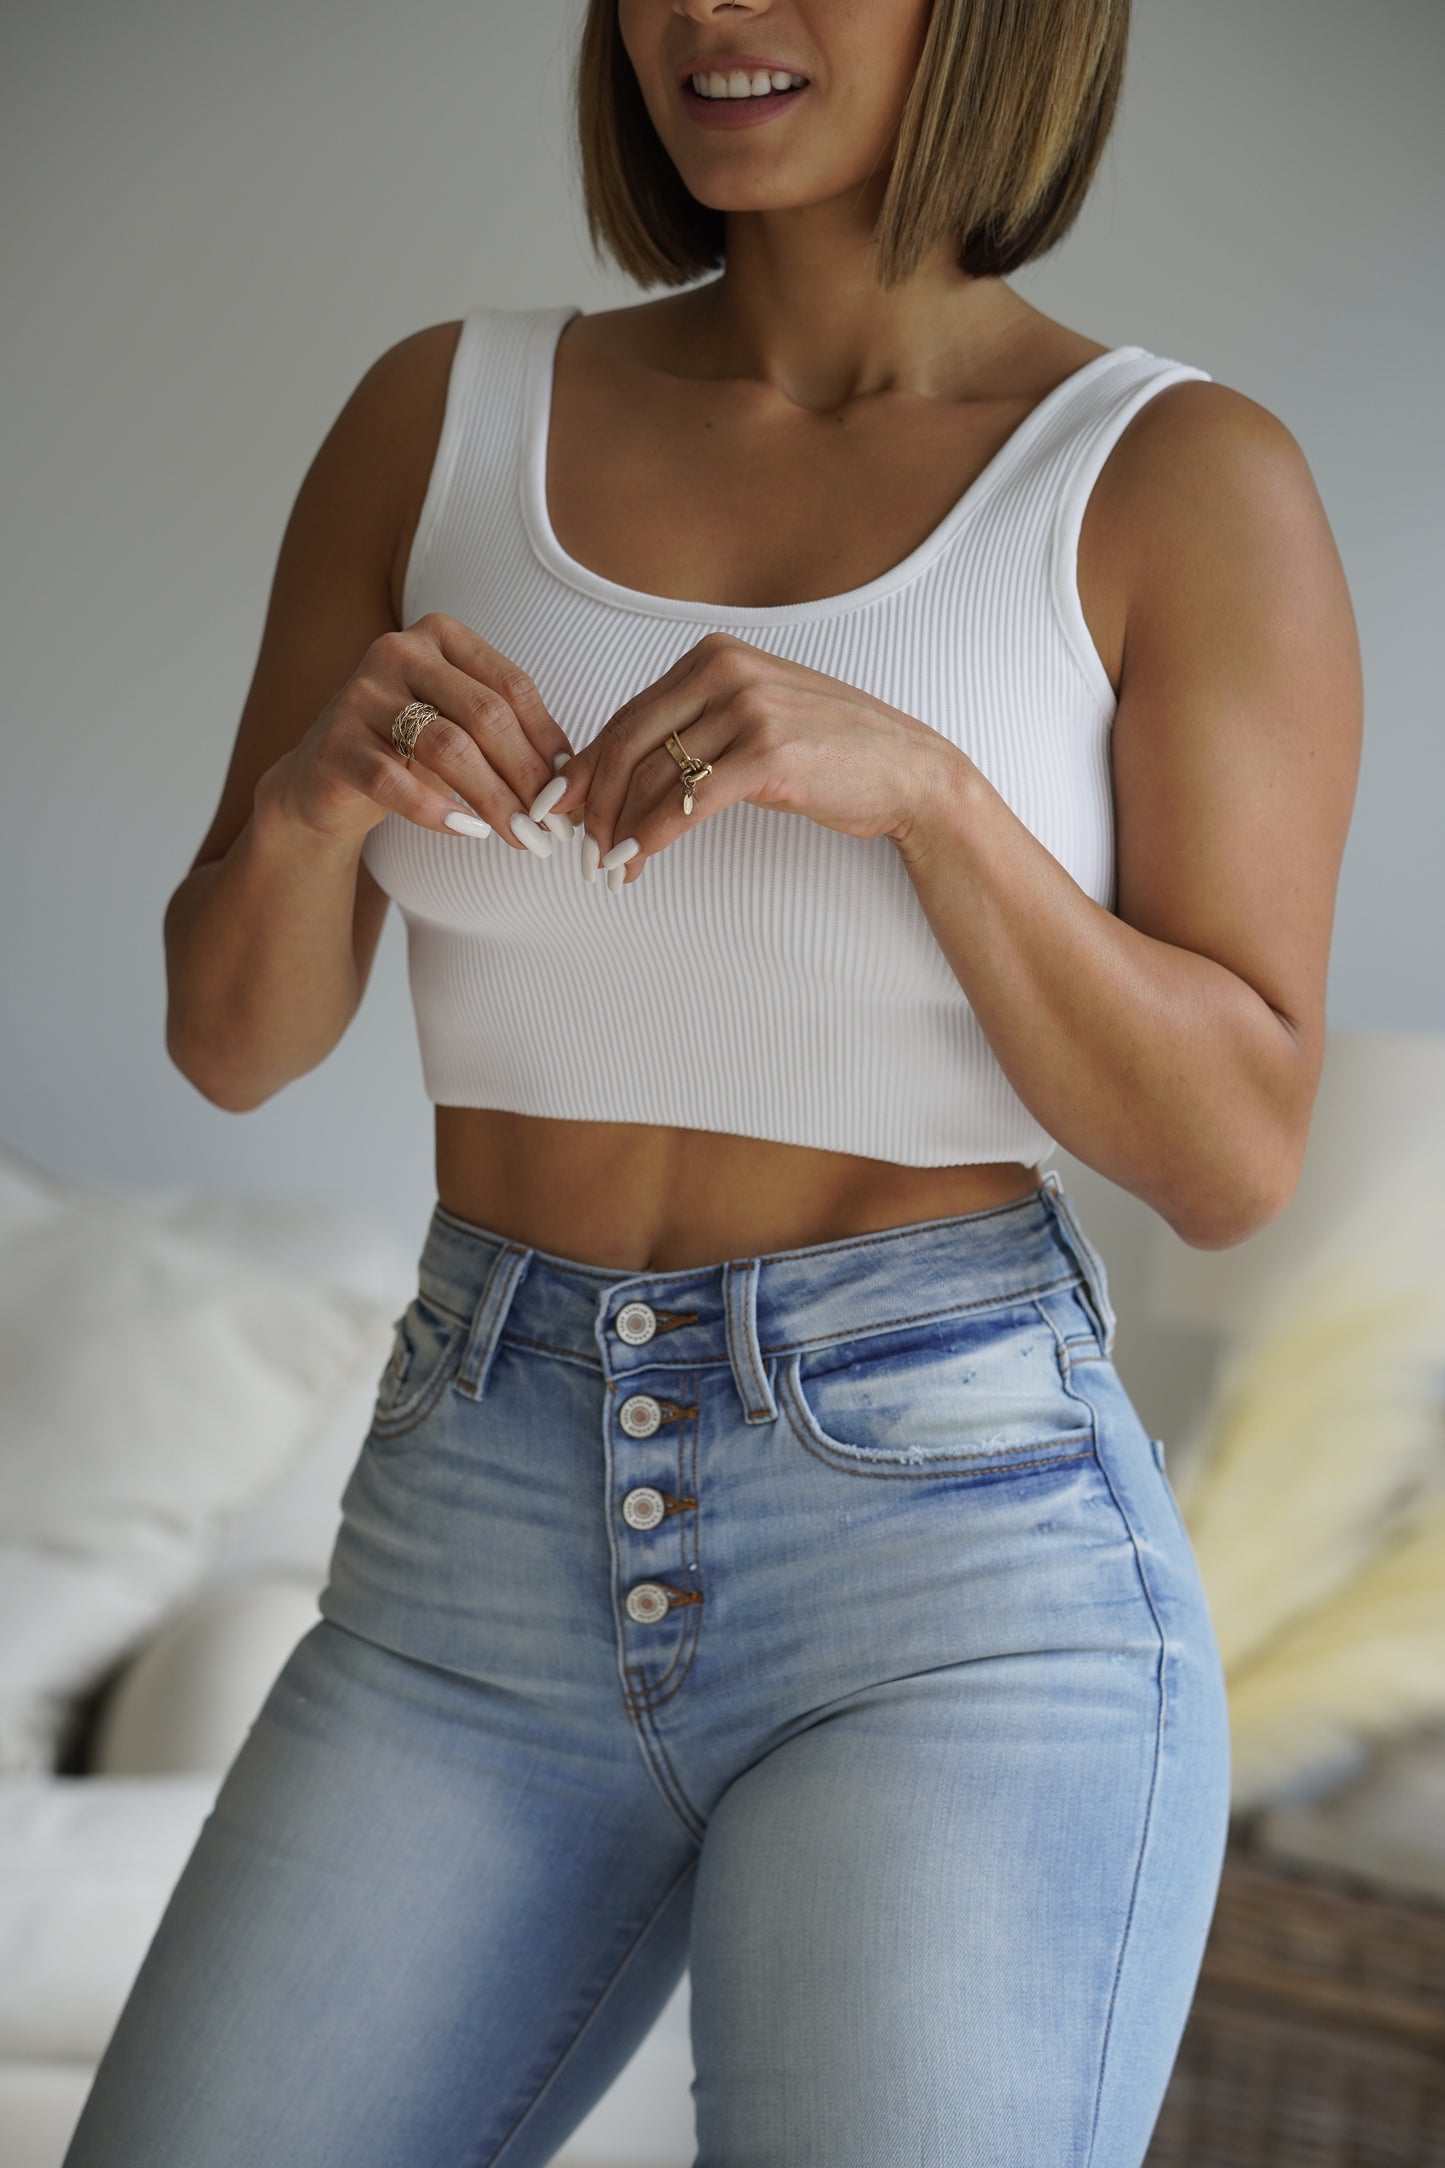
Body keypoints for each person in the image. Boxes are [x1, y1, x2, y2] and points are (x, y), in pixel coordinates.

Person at [64, 0, 1362, 2162]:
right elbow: (234, 1037)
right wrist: (311, 801)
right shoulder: (446, 413)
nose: (709, 11)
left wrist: (930, 794)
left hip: (952, 1572)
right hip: (469, 1535)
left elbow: (1230, 1148)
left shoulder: (1177, 478)